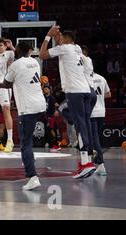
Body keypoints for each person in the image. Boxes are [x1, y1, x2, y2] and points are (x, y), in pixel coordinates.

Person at [40, 26, 96, 179]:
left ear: (66, 40)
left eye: (61, 39)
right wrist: (58, 37)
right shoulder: (76, 48)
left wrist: (48, 36)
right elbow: (62, 45)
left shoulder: (65, 49)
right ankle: (88, 160)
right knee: (82, 123)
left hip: (75, 92)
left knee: (79, 124)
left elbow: (42, 54)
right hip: (85, 90)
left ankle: (86, 163)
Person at [0, 42, 46, 191]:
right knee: (28, 143)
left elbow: (7, 83)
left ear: (15, 52)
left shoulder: (15, 65)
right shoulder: (35, 62)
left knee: (25, 144)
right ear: (29, 51)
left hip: (27, 108)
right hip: (41, 105)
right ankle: (29, 160)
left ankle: (32, 177)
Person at [90, 72, 111, 175]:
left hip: (92, 112)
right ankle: (96, 162)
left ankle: (101, 164)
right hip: (101, 112)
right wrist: (100, 97)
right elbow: (108, 94)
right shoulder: (102, 78)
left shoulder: (86, 78)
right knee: (96, 138)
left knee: (94, 139)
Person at [43, 85, 60, 152]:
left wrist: (56, 110)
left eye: (46, 89)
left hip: (51, 117)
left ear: (49, 90)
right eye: (44, 89)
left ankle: (56, 145)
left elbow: (57, 105)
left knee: (52, 130)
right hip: (46, 116)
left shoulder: (52, 98)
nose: (45, 90)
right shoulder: (43, 97)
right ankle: (50, 143)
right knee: (47, 130)